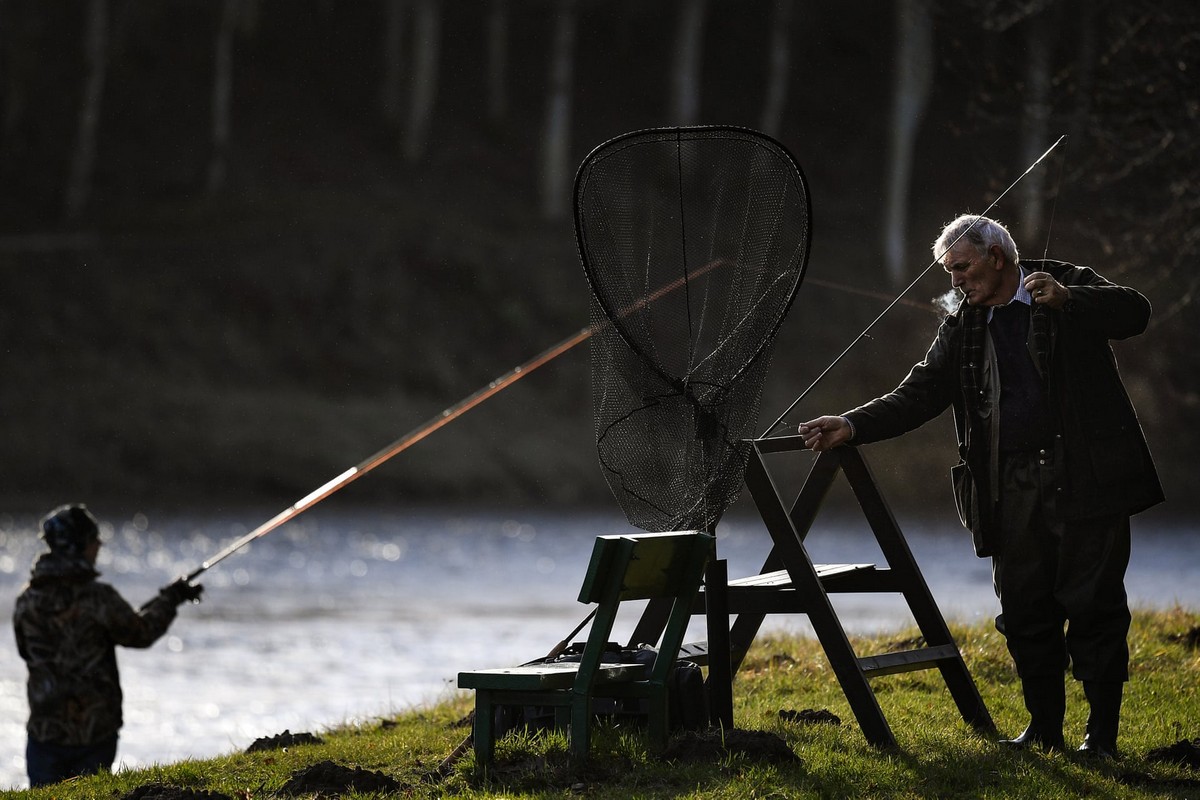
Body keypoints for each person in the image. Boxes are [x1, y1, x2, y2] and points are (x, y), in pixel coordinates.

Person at [799, 215, 1163, 759]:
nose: (956, 282)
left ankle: (1102, 740)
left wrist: (1069, 301)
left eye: (963, 268)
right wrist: (852, 425)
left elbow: (1136, 312)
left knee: (1095, 608)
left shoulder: (1065, 282)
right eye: (950, 272)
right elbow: (920, 392)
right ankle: (1044, 731)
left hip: (1086, 479)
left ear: (997, 258)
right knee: (1023, 610)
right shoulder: (963, 320)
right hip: (1007, 487)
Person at [12, 504, 204, 787]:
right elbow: (141, 633)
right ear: (79, 545)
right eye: (93, 539)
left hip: (44, 735)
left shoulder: (26, 601)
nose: (99, 544)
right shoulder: (98, 597)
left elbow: (25, 651)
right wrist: (172, 598)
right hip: (94, 734)